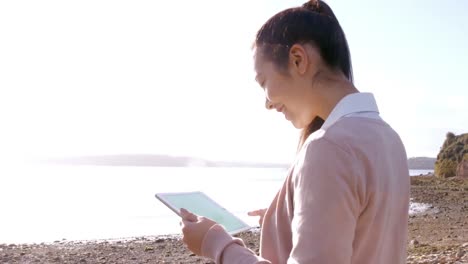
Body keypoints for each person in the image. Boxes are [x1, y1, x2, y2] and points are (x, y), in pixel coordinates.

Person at [179, 0, 410, 263]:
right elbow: (365, 232)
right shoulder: (389, 139)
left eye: (263, 81)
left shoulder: (329, 148)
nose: (267, 103)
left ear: (298, 60)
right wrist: (293, 216)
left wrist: (217, 244)